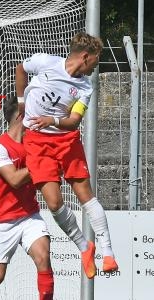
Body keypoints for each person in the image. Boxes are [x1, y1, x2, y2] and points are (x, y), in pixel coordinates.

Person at [15, 31, 118, 279]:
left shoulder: (85, 87)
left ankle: (108, 254)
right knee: (53, 203)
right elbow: (20, 68)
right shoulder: (45, 62)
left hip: (66, 141)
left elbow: (73, 122)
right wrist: (20, 102)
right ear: (85, 57)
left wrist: (51, 119)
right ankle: (85, 248)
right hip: (37, 143)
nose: (95, 67)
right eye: (95, 61)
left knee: (86, 195)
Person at [0, 96, 53, 300]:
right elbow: (14, 179)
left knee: (43, 258)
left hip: (29, 215)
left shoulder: (33, 143)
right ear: (21, 117)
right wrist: (40, 161)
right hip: (2, 219)